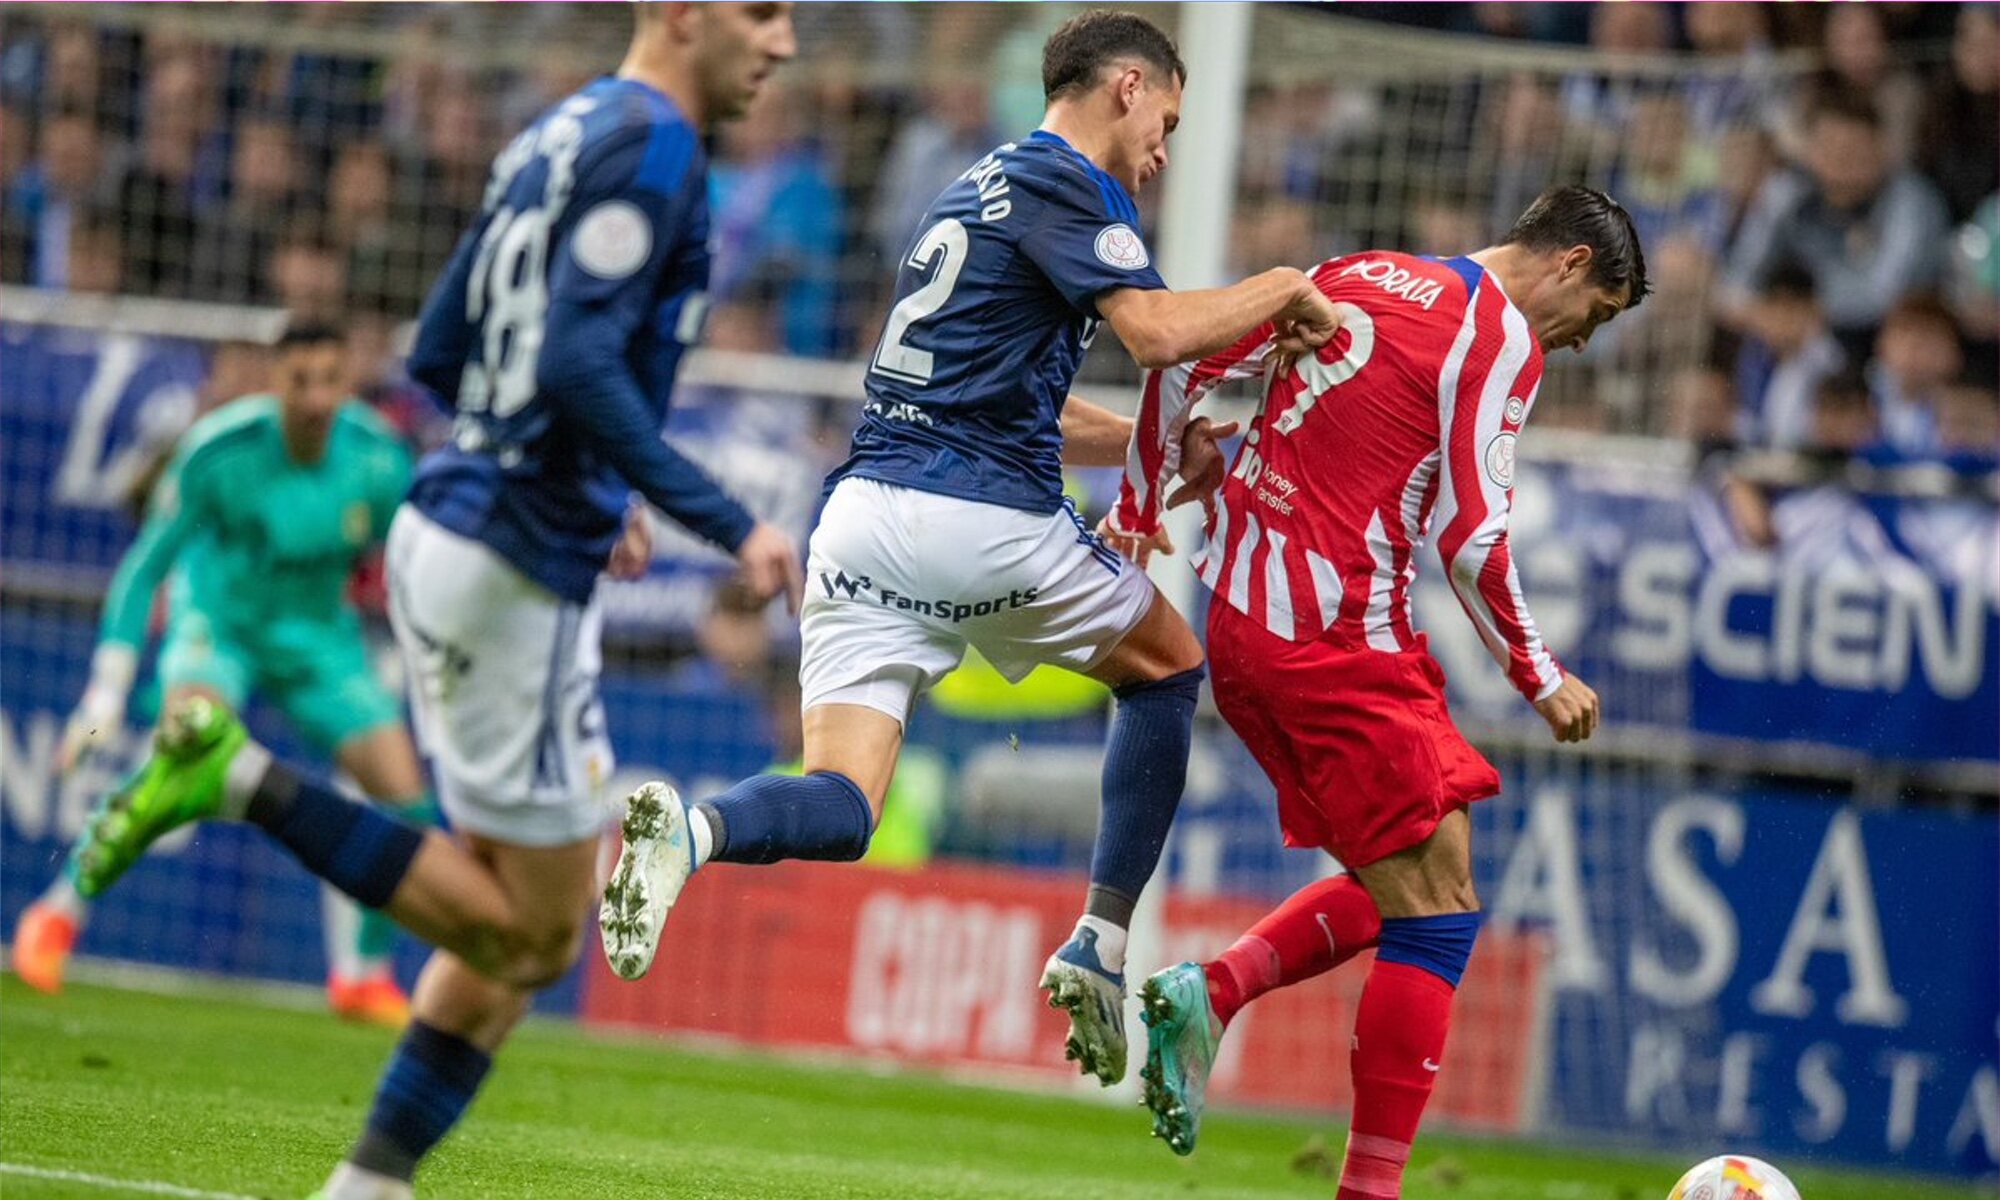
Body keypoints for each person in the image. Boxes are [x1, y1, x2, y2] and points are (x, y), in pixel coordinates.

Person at [62, 7, 801, 1199]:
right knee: (532, 934)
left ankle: (369, 1185)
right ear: (681, 12)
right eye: (763, 10)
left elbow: (444, 348)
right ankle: (236, 777)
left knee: (499, 917)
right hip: (511, 569)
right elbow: (570, 361)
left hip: (455, 527)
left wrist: (569, 469)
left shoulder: (553, 133)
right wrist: (727, 520)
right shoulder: (657, 144)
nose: (784, 42)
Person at [596, 8, 1339, 1092]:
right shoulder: (1069, 181)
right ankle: (1100, 944)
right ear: (1125, 86)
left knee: (845, 805)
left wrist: (1163, 443)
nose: (1163, 150)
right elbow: (1157, 334)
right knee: (1171, 667)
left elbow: (1017, 402)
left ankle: (691, 836)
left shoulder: (971, 186)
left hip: (857, 523)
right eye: (1166, 119)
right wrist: (1283, 285)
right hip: (973, 519)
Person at [1109, 185, 1645, 1198]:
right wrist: (1538, 674)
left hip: (1246, 624)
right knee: (1437, 912)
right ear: (1570, 265)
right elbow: (1472, 537)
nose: (1579, 343)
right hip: (1335, 640)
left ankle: (1212, 991)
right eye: (1597, 318)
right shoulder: (1497, 338)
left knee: (1417, 872)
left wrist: (1143, 497)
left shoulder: (1358, 272)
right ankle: (1366, 1188)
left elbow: (1184, 357)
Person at [13, 322, 428, 1027]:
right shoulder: (219, 450)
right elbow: (146, 567)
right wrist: (105, 694)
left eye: (332, 380)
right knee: (186, 748)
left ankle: (362, 974)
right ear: (277, 381)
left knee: (405, 797)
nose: (318, 398)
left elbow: (418, 567)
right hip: (219, 626)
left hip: (319, 639)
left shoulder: (378, 460)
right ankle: (57, 914)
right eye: (302, 381)